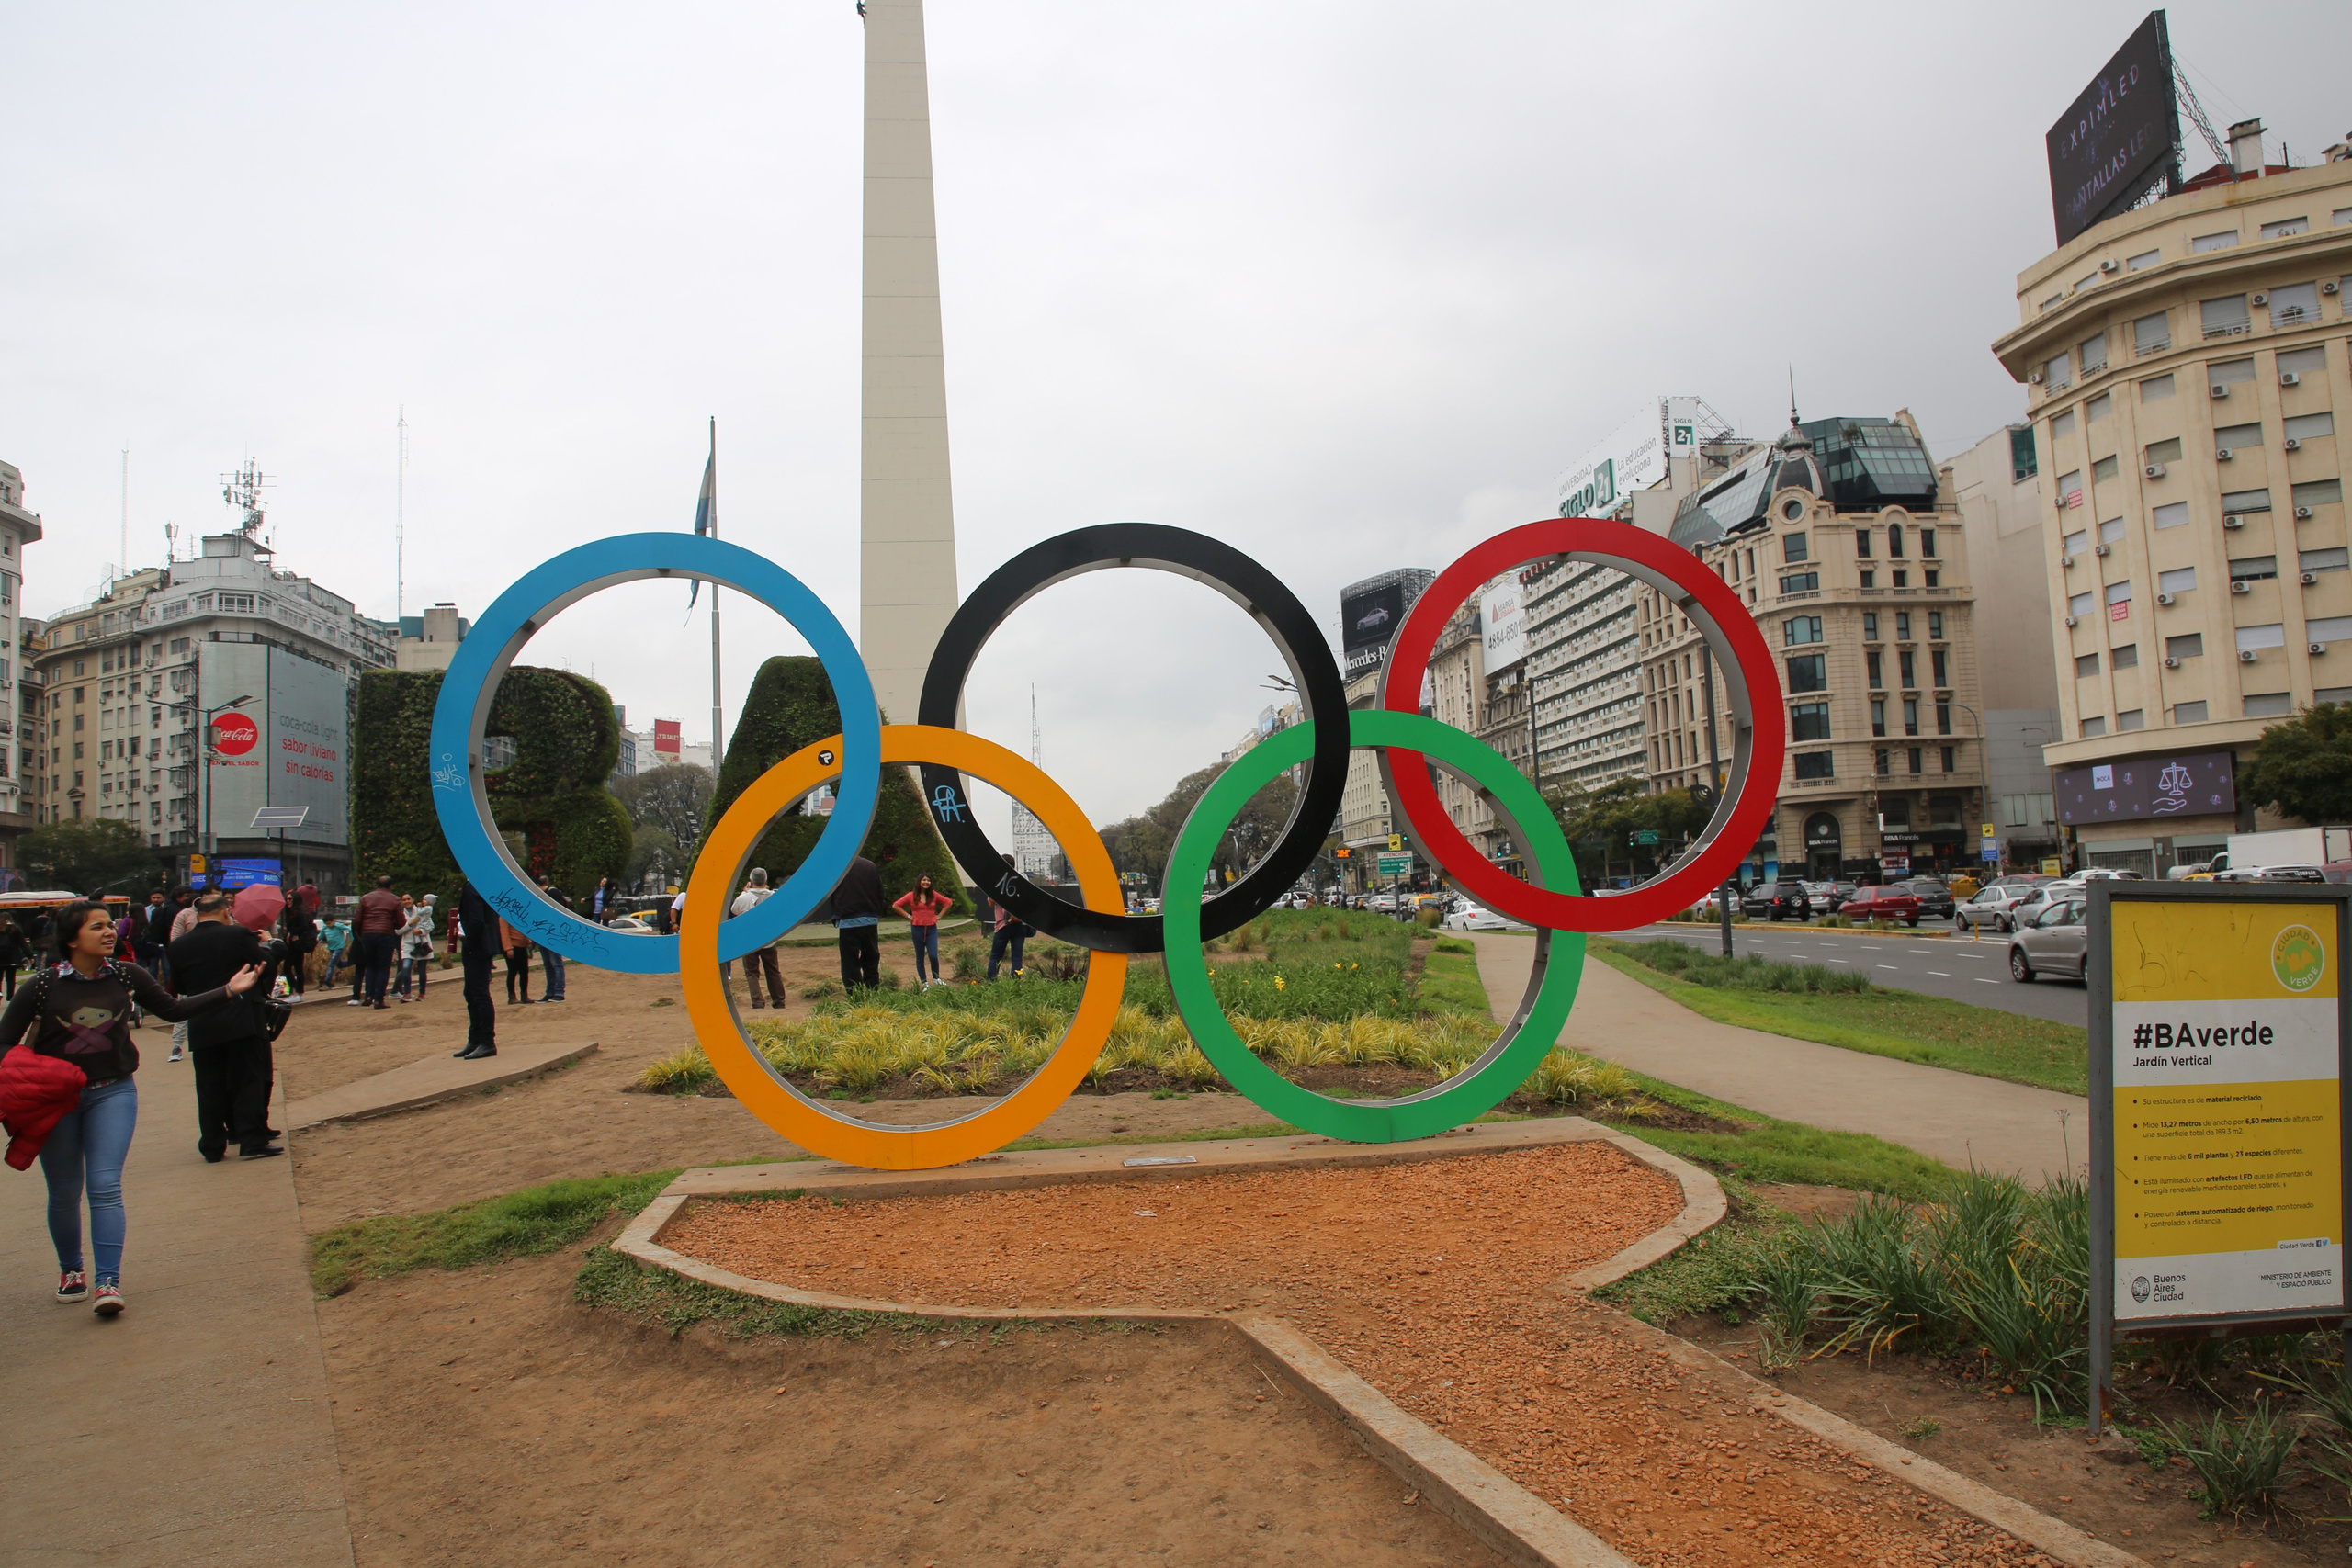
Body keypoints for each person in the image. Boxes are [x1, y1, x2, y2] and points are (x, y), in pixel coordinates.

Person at [4, 899, 260, 1316]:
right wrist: (28, 1074)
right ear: (72, 939)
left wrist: (229, 990)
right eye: (97, 927)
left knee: (104, 1186)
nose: (110, 932)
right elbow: (5, 1041)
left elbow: (173, 1009)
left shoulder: (126, 974)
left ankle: (108, 1282)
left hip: (113, 1093)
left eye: (110, 925)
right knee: (65, 1191)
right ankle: (71, 1270)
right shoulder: (43, 985)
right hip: (56, 1101)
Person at [168, 892, 285, 1164]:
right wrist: (269, 948)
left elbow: (180, 985)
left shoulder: (178, 945)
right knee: (247, 1079)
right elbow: (265, 966)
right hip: (240, 1017)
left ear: (198, 915)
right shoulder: (237, 935)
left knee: (209, 1086)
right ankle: (251, 1139)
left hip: (202, 1020)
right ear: (225, 912)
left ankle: (212, 1145)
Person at [724, 869, 784, 1008]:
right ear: (766, 880)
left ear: (751, 881)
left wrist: (744, 892)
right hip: (768, 939)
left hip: (748, 939)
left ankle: (757, 1001)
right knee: (773, 971)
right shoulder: (773, 896)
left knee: (751, 972)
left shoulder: (744, 898)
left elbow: (734, 910)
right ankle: (779, 1001)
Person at [828, 853, 887, 992]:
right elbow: (880, 891)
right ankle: (873, 990)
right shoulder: (870, 865)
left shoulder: (838, 867)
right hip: (870, 919)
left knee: (849, 962)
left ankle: (855, 994)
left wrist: (835, 913)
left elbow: (831, 892)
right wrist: (877, 912)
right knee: (871, 958)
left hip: (847, 920)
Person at [454, 879, 499, 1059]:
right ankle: (475, 1039)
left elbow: (476, 920)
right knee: (471, 993)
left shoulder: (473, 885)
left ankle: (486, 1042)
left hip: (477, 946)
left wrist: (470, 943)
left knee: (479, 994)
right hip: (482, 944)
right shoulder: (482, 884)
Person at [891, 873, 951, 989]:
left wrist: (940, 915)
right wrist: (909, 916)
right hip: (917, 929)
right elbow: (896, 905)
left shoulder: (933, 895)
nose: (926, 882)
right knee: (920, 957)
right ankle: (925, 983)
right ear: (919, 882)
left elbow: (948, 902)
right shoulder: (911, 895)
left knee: (933, 955)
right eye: (924, 880)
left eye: (928, 880)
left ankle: (936, 979)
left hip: (931, 929)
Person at [353, 874, 403, 1010]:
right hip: (385, 934)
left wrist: (360, 933)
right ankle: (379, 999)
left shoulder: (365, 898)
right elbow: (401, 922)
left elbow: (357, 919)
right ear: (390, 886)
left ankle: (368, 995)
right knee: (383, 968)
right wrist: (391, 925)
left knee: (370, 966)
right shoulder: (395, 900)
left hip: (367, 934)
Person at [986, 854, 1031, 980]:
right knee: (1017, 957)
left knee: (996, 957)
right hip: (1020, 923)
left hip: (1003, 924)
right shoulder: (1022, 878)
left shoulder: (997, 880)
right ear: (1013, 865)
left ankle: (991, 983)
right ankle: (1015, 983)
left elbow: (991, 903)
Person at [533, 878, 570, 1001]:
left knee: (556, 964)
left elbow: (557, 911)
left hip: (553, 932)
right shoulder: (540, 896)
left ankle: (559, 992)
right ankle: (550, 992)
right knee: (548, 965)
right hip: (543, 932)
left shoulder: (552, 892)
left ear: (539, 885)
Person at [278, 886, 318, 998]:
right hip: (295, 944)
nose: (288, 901)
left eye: (290, 899)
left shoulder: (299, 912)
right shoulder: (292, 912)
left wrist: (292, 933)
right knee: (298, 968)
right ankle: (299, 992)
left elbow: (304, 927)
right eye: (287, 899)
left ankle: (295, 992)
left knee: (287, 968)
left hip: (296, 944)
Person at [395, 894, 435, 1001]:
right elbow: (398, 931)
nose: (407, 901)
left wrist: (421, 931)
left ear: (412, 899)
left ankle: (421, 993)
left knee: (422, 970)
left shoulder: (421, 910)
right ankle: (407, 993)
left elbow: (430, 926)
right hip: (408, 943)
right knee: (406, 967)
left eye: (408, 899)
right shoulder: (400, 914)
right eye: (404, 900)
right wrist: (409, 925)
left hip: (422, 944)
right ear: (401, 902)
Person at [499, 914, 534, 1005]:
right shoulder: (504, 917)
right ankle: (512, 996)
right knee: (512, 971)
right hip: (512, 947)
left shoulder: (519, 915)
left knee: (524, 971)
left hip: (522, 946)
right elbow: (504, 933)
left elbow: (525, 928)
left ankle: (524, 995)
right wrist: (508, 948)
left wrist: (528, 942)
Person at [0, 918, 23, 1002]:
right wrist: (29, 955)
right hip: (12, 959)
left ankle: (0, 994)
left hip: (1, 958)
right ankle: (10, 997)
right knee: (10, 979)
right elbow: (22, 943)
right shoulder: (15, 929)